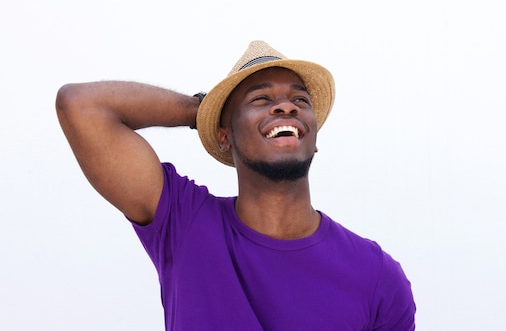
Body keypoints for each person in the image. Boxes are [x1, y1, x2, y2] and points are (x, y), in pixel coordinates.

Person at [56, 40, 416, 330]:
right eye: (261, 99)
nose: (285, 108)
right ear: (224, 136)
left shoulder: (378, 276)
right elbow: (81, 106)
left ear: (314, 137)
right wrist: (203, 111)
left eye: (300, 101)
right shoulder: (185, 223)